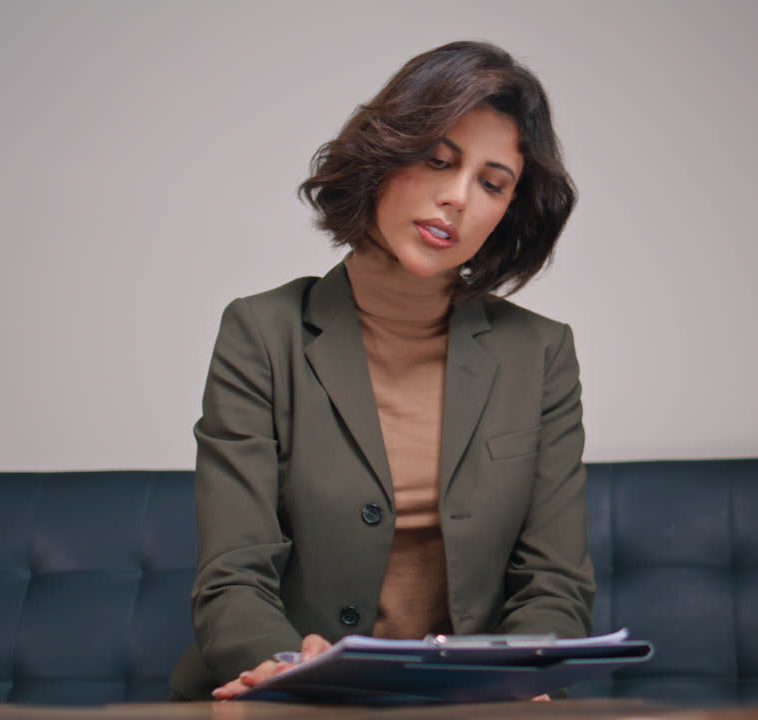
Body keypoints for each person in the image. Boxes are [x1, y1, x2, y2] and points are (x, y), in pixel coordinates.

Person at [167, 40, 594, 702]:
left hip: (472, 707)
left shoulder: (541, 353)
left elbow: (555, 583)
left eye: (491, 183)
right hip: (291, 700)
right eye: (437, 159)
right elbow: (233, 574)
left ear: (511, 207)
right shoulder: (261, 331)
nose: (457, 198)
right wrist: (277, 663)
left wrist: (513, 677)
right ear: (386, 154)